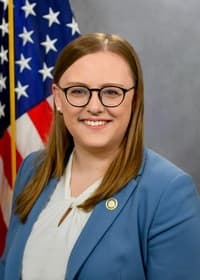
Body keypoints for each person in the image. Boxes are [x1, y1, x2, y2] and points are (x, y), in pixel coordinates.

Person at [1, 32, 200, 280]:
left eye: (112, 92)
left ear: (134, 100)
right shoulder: (33, 169)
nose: (94, 106)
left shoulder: (168, 193)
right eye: (78, 91)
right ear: (59, 98)